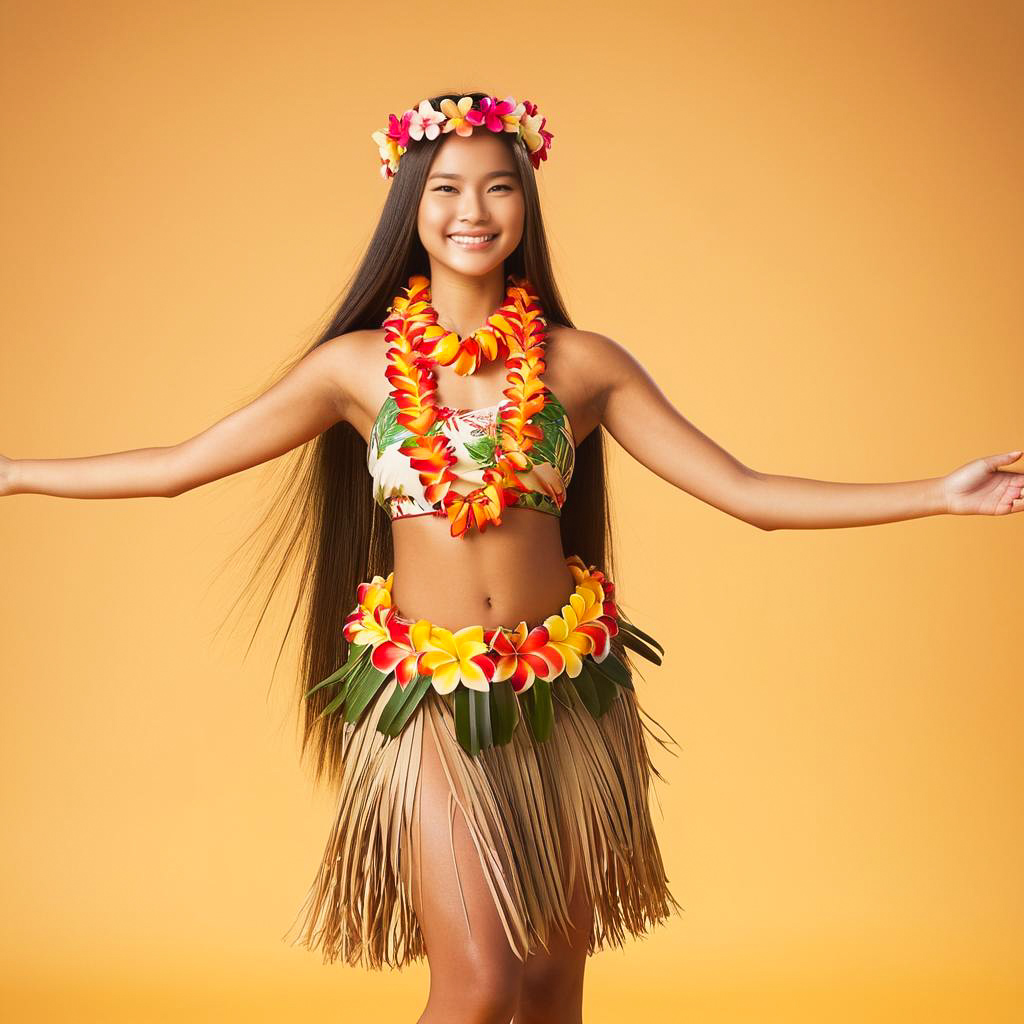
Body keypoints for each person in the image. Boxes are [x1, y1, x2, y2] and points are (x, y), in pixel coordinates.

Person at [3, 90, 1022, 1024]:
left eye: (498, 185)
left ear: (525, 202)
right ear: (411, 202)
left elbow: (747, 496)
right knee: (480, 983)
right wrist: (14, 473)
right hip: (431, 704)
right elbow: (182, 465)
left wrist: (938, 492)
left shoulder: (582, 367)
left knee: (545, 986)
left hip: (569, 699)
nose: (472, 209)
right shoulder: (355, 370)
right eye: (446, 187)